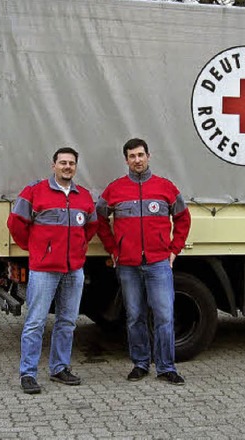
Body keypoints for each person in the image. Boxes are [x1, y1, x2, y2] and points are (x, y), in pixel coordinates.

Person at [96, 138, 191, 385]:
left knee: (164, 316)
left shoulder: (165, 187)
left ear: (149, 156)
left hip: (159, 262)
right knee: (135, 315)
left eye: (140, 155)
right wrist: (113, 249)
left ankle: (166, 367)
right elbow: (99, 218)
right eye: (132, 156)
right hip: (127, 264)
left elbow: (183, 218)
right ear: (126, 160)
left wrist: (174, 249)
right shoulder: (115, 189)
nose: (137, 160)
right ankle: (140, 363)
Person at [7, 147, 97, 394]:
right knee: (35, 322)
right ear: (53, 165)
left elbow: (92, 226)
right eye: (62, 162)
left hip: (73, 270)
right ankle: (28, 373)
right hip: (44, 269)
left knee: (67, 322)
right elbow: (15, 223)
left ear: (76, 167)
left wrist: (77, 249)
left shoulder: (84, 197)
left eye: (71, 163)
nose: (67, 167)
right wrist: (35, 248)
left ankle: (60, 368)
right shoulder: (35, 192)